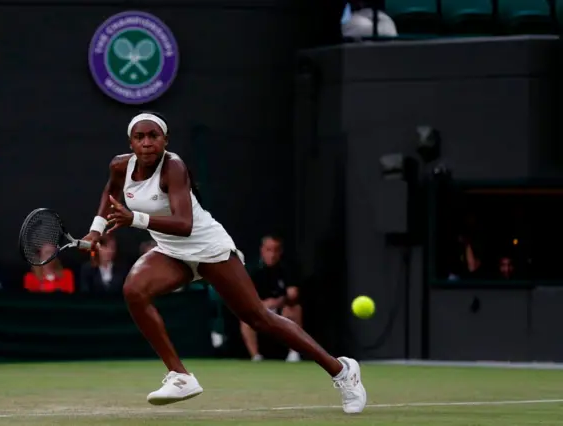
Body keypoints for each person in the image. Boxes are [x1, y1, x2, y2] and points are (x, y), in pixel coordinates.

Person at [80, 112, 366, 414]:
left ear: (166, 140)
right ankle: (180, 376)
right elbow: (110, 193)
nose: (147, 143)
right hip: (171, 252)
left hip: (208, 249)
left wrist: (134, 219)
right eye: (140, 137)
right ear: (131, 142)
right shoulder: (120, 166)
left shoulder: (173, 168)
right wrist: (96, 231)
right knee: (134, 290)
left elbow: (185, 223)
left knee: (259, 318)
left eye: (154, 136)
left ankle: (341, 370)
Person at [241, 234, 303, 362]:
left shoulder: (287, 269)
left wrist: (277, 302)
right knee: (245, 318)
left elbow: (293, 294)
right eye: (269, 250)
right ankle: (256, 356)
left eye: (276, 250)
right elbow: (245, 296)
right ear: (262, 250)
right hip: (260, 310)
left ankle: (294, 354)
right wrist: (261, 305)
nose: (272, 254)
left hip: (281, 310)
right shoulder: (253, 270)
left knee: (294, 309)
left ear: (280, 252)